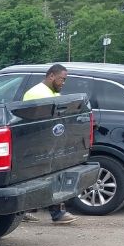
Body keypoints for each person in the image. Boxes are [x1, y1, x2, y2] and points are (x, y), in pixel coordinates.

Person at [21, 64, 78, 225]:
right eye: (62, 79)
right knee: (51, 176)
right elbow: (41, 120)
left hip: (47, 142)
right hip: (40, 143)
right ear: (51, 76)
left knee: (39, 177)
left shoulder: (50, 92)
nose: (63, 83)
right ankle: (58, 213)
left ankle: (22, 211)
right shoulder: (38, 93)